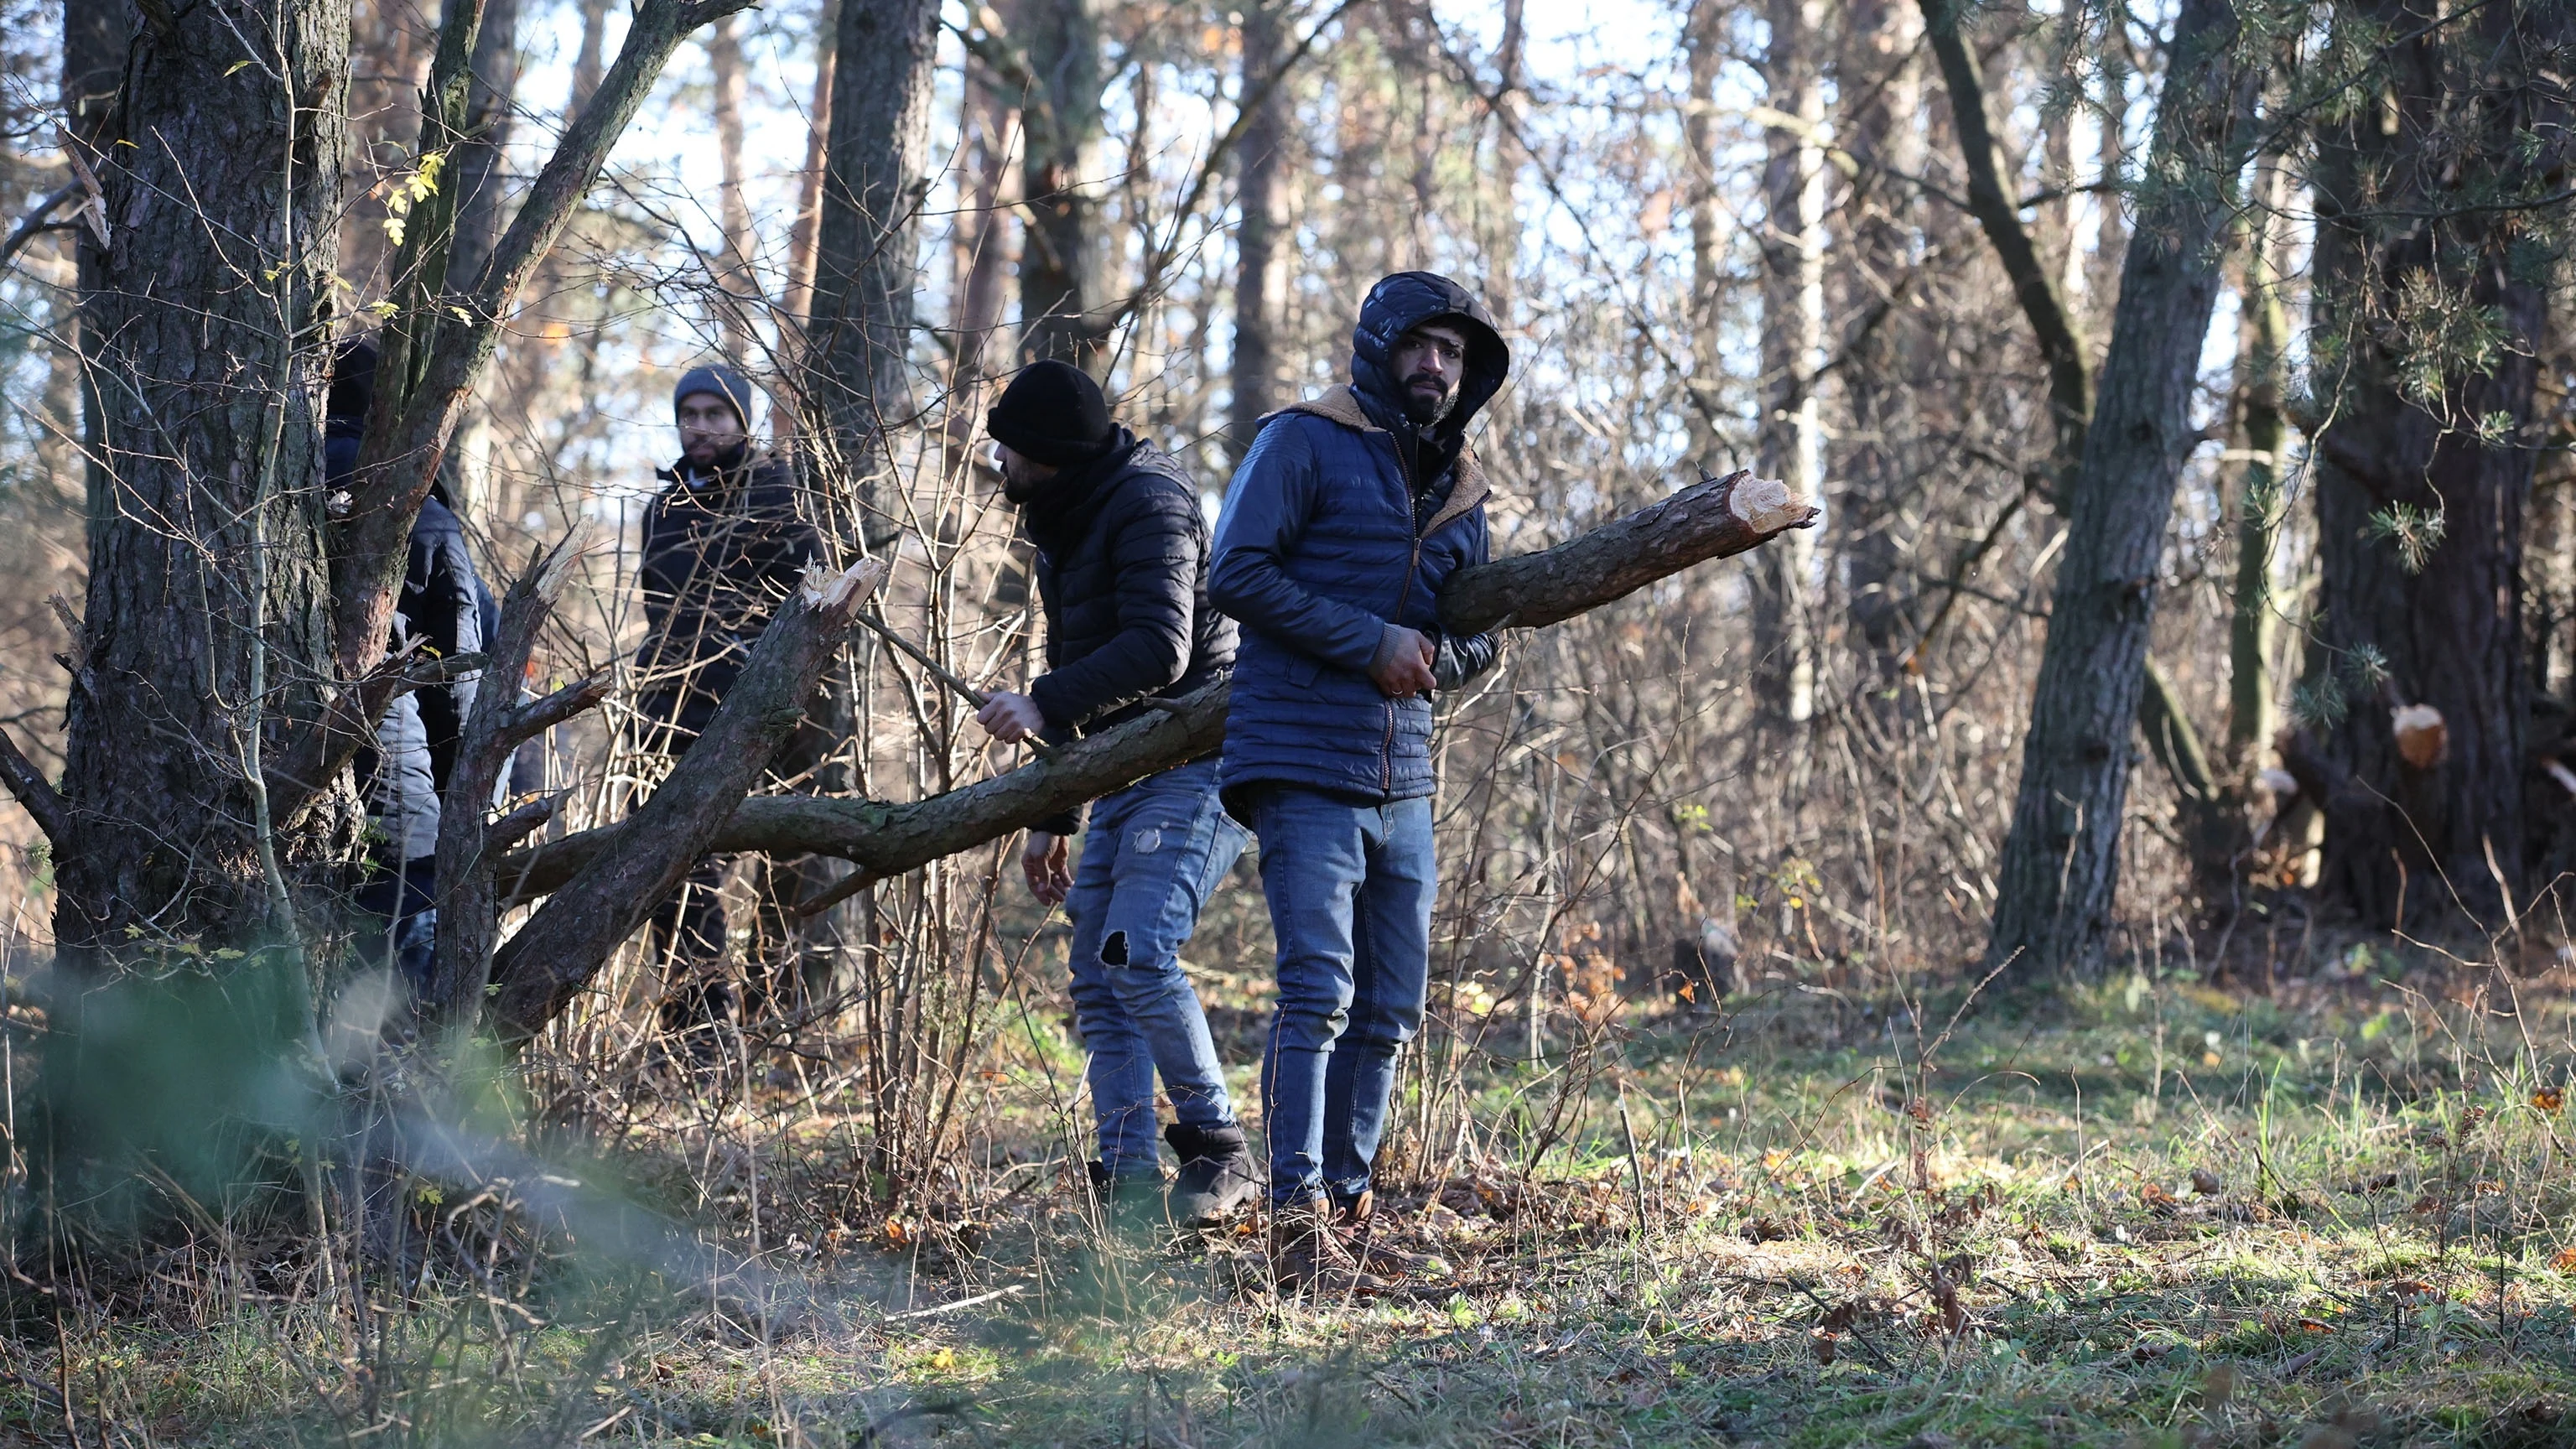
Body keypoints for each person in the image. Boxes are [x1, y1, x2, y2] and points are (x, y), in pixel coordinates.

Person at [1208, 272, 1509, 1289]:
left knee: (1390, 1010)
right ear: (1378, 344)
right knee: (1318, 995)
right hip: (1300, 758)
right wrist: (1369, 643)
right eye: (1420, 345)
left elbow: (1480, 639)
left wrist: (1428, 658)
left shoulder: (1464, 486)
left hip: (1406, 779)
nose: (1436, 365)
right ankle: (1295, 1223)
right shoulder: (1302, 438)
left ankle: (1348, 1206)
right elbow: (1235, 572)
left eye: (1454, 353)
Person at [973, 360, 1259, 1228]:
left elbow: (1160, 650)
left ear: (1048, 455)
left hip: (1196, 759)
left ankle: (1219, 1146)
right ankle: (1128, 1181)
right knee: (1098, 978)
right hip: (1117, 768)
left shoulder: (1149, 502)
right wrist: (1052, 811)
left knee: (1136, 950)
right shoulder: (1065, 510)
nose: (998, 460)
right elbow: (1075, 665)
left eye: (1010, 449)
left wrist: (1042, 704)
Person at [635, 362, 823, 1040]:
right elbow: (659, 611)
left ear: (742, 421)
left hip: (757, 712)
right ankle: (697, 1028)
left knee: (784, 862)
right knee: (670, 866)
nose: (701, 427)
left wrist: (753, 675)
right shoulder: (663, 507)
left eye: (716, 414)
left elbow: (810, 606)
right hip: (669, 710)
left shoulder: (776, 493)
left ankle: (779, 1020)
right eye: (691, 414)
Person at [326, 339, 487, 995]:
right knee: (404, 985)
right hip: (395, 785)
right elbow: (458, 673)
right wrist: (464, 798)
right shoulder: (419, 507)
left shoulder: (279, 479)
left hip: (283, 779)